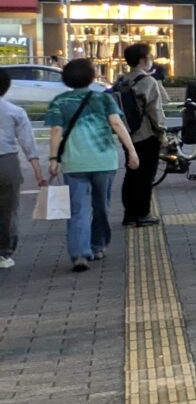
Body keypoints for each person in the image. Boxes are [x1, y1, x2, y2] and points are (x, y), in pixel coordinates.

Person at [46, 58, 138, 272]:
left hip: (74, 163)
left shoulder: (59, 102)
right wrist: (131, 151)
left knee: (78, 209)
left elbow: (56, 132)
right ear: (91, 76)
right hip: (104, 160)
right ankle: (98, 246)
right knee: (102, 206)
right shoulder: (103, 99)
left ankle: (79, 253)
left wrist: (53, 159)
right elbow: (116, 123)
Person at [116, 42, 168, 228]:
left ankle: (129, 214)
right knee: (146, 177)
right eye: (149, 56)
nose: (151, 60)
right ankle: (143, 214)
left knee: (131, 174)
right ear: (142, 60)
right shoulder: (147, 81)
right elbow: (155, 111)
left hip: (128, 134)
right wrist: (162, 133)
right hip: (146, 135)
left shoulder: (122, 80)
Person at [0, 69, 47, 269]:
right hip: (6, 163)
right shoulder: (14, 111)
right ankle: (4, 252)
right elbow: (28, 144)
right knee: (8, 209)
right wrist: (38, 172)